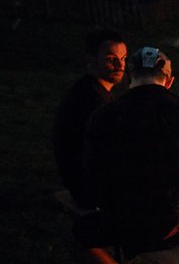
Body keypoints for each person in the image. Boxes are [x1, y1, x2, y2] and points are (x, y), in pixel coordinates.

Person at [71, 47, 179, 264]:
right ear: (169, 80)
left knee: (80, 235)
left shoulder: (106, 115)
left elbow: (95, 172)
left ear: (129, 78)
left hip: (136, 223)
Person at [52, 29, 127, 209]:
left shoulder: (90, 90)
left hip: (84, 184)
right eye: (111, 59)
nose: (120, 65)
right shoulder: (93, 101)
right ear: (91, 61)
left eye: (123, 58)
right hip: (91, 191)